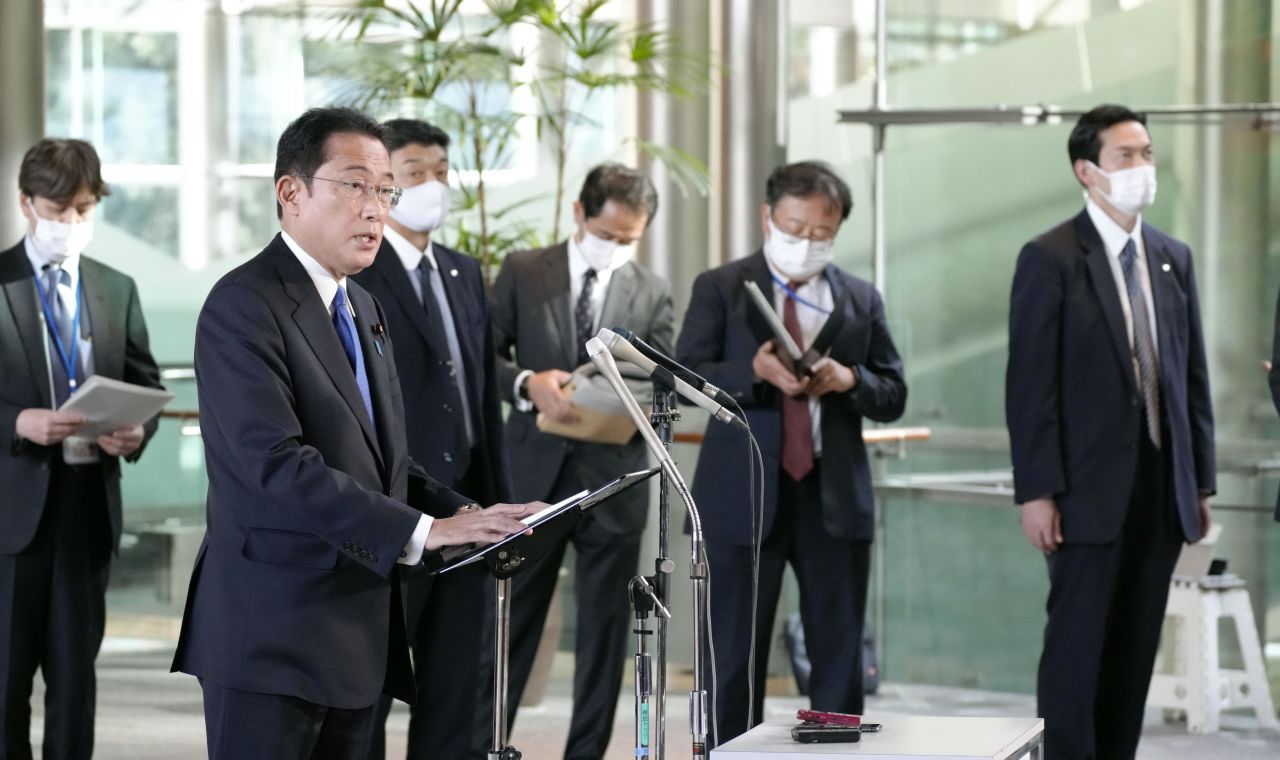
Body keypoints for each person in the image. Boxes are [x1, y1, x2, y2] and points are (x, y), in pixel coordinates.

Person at [170, 106, 537, 760]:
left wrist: (469, 513)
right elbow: (276, 465)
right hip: (272, 638)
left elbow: (388, 460)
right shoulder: (243, 305)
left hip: (357, 636)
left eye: (384, 189)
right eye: (355, 185)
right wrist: (423, 533)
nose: (376, 208)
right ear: (291, 193)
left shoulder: (362, 306)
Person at [1005, 104, 1215, 760]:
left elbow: (1191, 381)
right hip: (1081, 493)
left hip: (1160, 489)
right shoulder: (1051, 258)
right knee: (1076, 650)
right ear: (1087, 171)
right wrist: (1036, 491)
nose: (1142, 167)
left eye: (1147, 153)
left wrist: (1199, 483)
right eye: (1126, 156)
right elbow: (1029, 388)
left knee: (1132, 651)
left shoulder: (1171, 258)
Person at [676, 160, 906, 746]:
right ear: (768, 216)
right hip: (743, 497)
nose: (806, 242)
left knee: (837, 653)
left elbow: (893, 391)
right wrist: (751, 373)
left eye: (820, 234)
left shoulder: (858, 298)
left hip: (832, 496)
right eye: (795, 227)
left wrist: (850, 380)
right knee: (732, 654)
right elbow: (683, 376)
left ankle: (835, 751)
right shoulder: (722, 287)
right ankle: (727, 752)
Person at [483, 162, 673, 759]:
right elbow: (478, 355)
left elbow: (666, 381)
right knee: (513, 622)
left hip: (614, 479)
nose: (614, 248)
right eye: (607, 234)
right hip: (531, 473)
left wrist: (624, 394)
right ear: (578, 215)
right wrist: (526, 382)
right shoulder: (522, 270)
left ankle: (585, 753)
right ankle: (484, 742)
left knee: (605, 633)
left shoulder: (653, 289)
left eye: (628, 239)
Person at [352, 118, 511, 759]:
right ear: (386, 185)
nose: (434, 186)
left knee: (457, 688)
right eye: (415, 173)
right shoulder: (361, 267)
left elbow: (478, 389)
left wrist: (495, 501)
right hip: (395, 507)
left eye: (442, 172)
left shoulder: (462, 271)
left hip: (467, 509)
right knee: (372, 689)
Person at [0, 137, 165, 759]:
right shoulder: (0, 281)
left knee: (75, 684)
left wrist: (136, 432)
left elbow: (146, 384)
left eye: (84, 210)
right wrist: (18, 422)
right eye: (59, 209)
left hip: (86, 510)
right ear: (26, 203)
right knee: (6, 684)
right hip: (12, 518)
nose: (71, 224)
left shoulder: (114, 288)